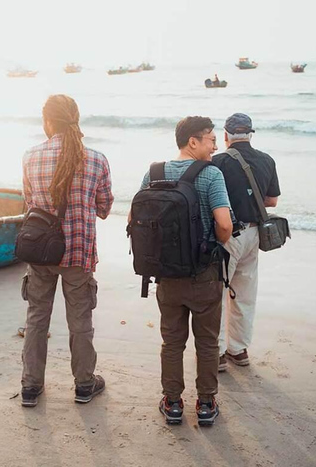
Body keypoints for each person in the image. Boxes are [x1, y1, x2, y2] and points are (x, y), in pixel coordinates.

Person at [137, 116, 233, 426]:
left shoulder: (153, 172)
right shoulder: (211, 175)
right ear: (193, 141)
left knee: (172, 341)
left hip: (165, 274)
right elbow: (225, 225)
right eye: (210, 138)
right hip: (203, 274)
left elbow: (134, 220)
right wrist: (214, 245)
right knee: (207, 341)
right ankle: (205, 403)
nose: (215, 144)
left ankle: (173, 402)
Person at [19, 94, 114, 408]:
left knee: (36, 319)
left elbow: (29, 203)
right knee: (80, 322)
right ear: (76, 119)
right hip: (77, 253)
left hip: (40, 252)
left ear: (47, 121)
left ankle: (31, 387)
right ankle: (84, 384)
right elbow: (104, 208)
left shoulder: (30, 156)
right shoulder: (96, 160)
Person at [211, 113, 281, 371]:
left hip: (227, 233)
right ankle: (238, 350)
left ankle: (217, 353)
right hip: (254, 234)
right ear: (251, 133)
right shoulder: (266, 160)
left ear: (226, 135)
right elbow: (272, 201)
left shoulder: (217, 162)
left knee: (217, 292)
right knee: (245, 293)